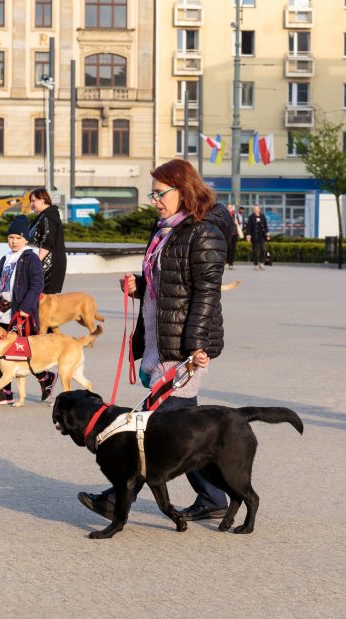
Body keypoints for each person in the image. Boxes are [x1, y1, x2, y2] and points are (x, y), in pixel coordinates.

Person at [78, 158, 232, 522]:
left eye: (160, 193)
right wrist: (139, 286)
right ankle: (213, 496)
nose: (154, 200)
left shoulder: (204, 232)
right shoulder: (166, 230)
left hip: (181, 349)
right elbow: (169, 285)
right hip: (160, 342)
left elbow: (206, 294)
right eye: (153, 193)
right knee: (182, 432)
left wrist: (196, 347)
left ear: (184, 190)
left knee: (147, 430)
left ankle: (117, 500)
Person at [0, 214, 55, 403]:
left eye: (18, 238)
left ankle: (46, 378)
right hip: (1, 313)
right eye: (11, 237)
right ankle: (6, 393)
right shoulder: (6, 259)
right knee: (2, 351)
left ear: (25, 239)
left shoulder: (31, 258)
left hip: (21, 314)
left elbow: (37, 285)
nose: (14, 241)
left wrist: (27, 308)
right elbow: (0, 288)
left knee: (25, 352)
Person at [27, 188, 66, 295]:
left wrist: (36, 261)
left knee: (43, 301)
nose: (31, 204)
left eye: (33, 201)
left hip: (47, 264)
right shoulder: (44, 216)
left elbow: (48, 241)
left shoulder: (48, 217)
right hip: (44, 263)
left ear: (43, 200)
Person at [246, 204, 270, 270]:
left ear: (259, 209)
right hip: (254, 237)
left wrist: (267, 234)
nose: (256, 210)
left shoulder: (262, 216)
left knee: (263, 249)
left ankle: (262, 263)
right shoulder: (251, 217)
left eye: (257, 209)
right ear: (253, 210)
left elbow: (265, 225)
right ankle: (256, 264)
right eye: (255, 209)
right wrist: (248, 235)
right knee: (255, 251)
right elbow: (249, 227)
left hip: (262, 236)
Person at [225, 202, 241, 270]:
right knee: (228, 248)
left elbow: (239, 223)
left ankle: (231, 264)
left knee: (233, 249)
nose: (230, 209)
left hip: (234, 234)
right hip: (227, 234)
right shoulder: (225, 214)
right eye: (228, 207)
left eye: (231, 207)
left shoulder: (235, 214)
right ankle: (226, 263)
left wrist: (237, 222)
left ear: (232, 208)